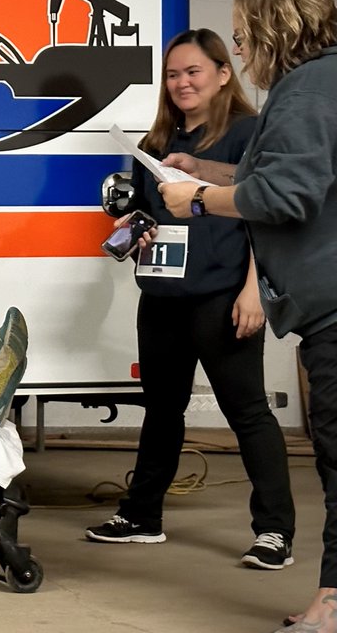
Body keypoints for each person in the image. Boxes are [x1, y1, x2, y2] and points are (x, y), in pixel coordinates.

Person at [157, 0, 337, 633]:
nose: (241, 50)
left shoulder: (304, 90)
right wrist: (206, 169)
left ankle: (330, 620)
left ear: (271, 30)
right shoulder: (322, 85)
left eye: (240, 36)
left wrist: (199, 198)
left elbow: (287, 196)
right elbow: (289, 174)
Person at [85, 29, 296, 572]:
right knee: (162, 409)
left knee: (246, 412)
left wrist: (254, 292)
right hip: (162, 295)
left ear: (224, 74)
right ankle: (142, 516)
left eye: (193, 71)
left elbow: (266, 219)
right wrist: (136, 235)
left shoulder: (250, 134)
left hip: (224, 295)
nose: (181, 82)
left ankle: (274, 531)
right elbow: (152, 215)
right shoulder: (155, 145)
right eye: (173, 74)